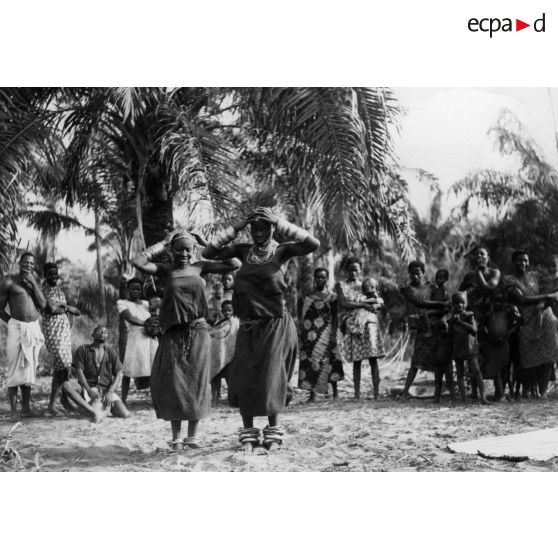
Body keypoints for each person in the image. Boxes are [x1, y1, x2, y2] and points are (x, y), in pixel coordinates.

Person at [202, 207, 319, 451]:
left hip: (275, 324)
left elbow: (312, 243)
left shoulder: (282, 250)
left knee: (271, 376)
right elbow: (208, 252)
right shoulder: (243, 251)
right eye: (254, 227)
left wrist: (280, 221)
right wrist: (236, 226)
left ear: (271, 228)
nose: (258, 231)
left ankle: (273, 434)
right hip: (247, 325)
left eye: (264, 227)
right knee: (246, 377)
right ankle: (249, 434)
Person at [134, 230, 240, 450]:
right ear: (172, 250)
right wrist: (162, 244)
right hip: (173, 333)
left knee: (196, 382)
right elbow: (138, 261)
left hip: (199, 332)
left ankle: (192, 436)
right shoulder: (165, 269)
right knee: (175, 385)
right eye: (178, 248)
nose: (183, 253)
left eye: (187, 249)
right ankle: (176, 437)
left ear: (193, 251)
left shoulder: (200, 266)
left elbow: (235, 262)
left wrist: (206, 243)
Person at [503, 250, 558, 399]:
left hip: (546, 317)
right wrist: (548, 296)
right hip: (526, 320)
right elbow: (522, 300)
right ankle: (527, 389)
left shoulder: (535, 276)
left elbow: (552, 283)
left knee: (548, 355)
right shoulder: (508, 280)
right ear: (513, 262)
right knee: (528, 355)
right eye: (520, 260)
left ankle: (543, 391)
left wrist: (551, 296)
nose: (523, 263)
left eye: (526, 260)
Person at [0, 252, 46, 420]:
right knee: (13, 368)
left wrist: (33, 283)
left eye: (31, 263)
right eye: (25, 262)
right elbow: (0, 308)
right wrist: (13, 322)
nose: (28, 265)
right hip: (16, 328)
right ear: (20, 263)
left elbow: (43, 304)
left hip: (33, 328)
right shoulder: (9, 282)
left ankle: (26, 409)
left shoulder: (35, 282)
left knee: (28, 369)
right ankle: (13, 411)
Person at [336, 258, 385, 400]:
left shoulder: (367, 284)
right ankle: (357, 394)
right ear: (346, 270)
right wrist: (363, 305)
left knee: (373, 359)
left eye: (356, 269)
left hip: (369, 324)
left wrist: (375, 304)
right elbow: (344, 303)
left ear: (360, 270)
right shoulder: (342, 285)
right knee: (357, 360)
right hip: (354, 325)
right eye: (350, 269)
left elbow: (378, 302)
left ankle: (376, 394)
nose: (353, 272)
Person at [61, 325, 130, 422]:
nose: (102, 333)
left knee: (125, 414)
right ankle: (93, 411)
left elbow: (119, 372)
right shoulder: (83, 349)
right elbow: (79, 371)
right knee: (66, 385)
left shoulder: (111, 352)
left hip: (105, 391)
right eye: (99, 331)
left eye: (105, 332)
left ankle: (89, 409)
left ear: (107, 336)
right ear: (93, 334)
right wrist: (89, 390)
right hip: (86, 389)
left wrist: (110, 392)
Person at [399, 261, 447, 397]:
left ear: (423, 273)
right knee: (415, 362)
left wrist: (442, 307)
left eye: (418, 273)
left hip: (434, 326)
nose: (415, 276)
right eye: (413, 274)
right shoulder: (408, 290)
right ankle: (405, 392)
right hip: (421, 328)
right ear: (410, 274)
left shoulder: (431, 287)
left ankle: (439, 393)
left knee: (438, 361)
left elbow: (442, 305)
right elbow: (419, 303)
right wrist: (440, 303)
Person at [298, 267, 344, 401]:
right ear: (314, 278)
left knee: (331, 361)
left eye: (323, 277)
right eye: (318, 277)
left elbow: (335, 317)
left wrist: (334, 334)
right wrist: (302, 334)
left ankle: (335, 393)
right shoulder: (308, 297)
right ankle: (312, 395)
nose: (320, 279)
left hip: (327, 333)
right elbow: (303, 318)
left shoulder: (333, 297)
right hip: (311, 335)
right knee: (312, 362)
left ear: (327, 278)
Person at [42, 262, 80, 416]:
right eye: (50, 273)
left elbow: (76, 311)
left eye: (55, 273)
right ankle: (56, 404)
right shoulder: (42, 290)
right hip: (52, 331)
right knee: (62, 365)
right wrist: (64, 307)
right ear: (45, 275)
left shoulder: (60, 291)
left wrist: (62, 306)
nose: (53, 276)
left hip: (64, 331)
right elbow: (50, 309)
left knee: (64, 368)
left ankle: (60, 402)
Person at [117, 278, 158, 403]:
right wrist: (146, 324)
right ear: (128, 290)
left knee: (153, 368)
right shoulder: (122, 303)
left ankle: (155, 399)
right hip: (135, 339)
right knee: (128, 370)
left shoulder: (146, 304)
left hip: (150, 338)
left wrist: (154, 327)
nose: (136, 291)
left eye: (138, 289)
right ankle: (123, 399)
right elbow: (129, 317)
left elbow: (156, 316)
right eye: (133, 289)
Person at [444, 292, 489, 404]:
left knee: (476, 370)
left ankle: (483, 397)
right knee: (460, 372)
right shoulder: (451, 319)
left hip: (470, 348)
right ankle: (464, 399)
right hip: (458, 348)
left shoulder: (469, 315)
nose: (459, 305)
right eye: (456, 303)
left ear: (466, 303)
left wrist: (460, 322)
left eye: (462, 302)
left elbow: (474, 330)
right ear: (452, 305)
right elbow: (449, 336)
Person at [481, 290, 522, 401]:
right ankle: (501, 395)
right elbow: (483, 326)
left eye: (499, 302)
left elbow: (520, 321)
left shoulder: (507, 313)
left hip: (504, 344)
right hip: (493, 344)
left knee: (505, 369)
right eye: (495, 302)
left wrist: (510, 332)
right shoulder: (489, 314)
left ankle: (504, 393)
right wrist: (489, 335)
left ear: (503, 302)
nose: (497, 304)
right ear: (491, 302)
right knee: (497, 370)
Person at [209, 300, 239, 404]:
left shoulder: (235, 322)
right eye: (225, 311)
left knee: (230, 379)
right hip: (218, 355)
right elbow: (215, 333)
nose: (227, 313)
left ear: (233, 310)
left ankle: (232, 398)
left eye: (229, 310)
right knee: (215, 377)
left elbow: (229, 336)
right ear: (222, 311)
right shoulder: (220, 322)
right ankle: (215, 398)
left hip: (230, 356)